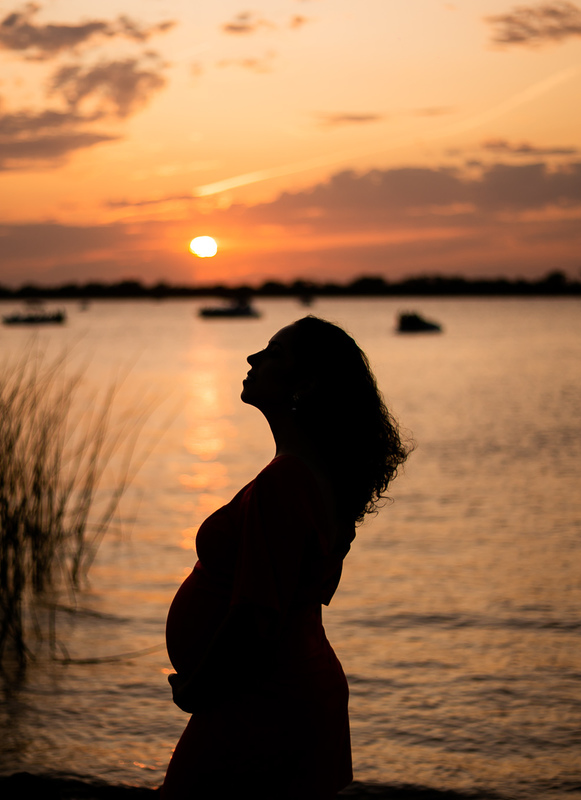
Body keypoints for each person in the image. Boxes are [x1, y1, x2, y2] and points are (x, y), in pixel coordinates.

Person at [160, 316, 410, 799]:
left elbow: (257, 616)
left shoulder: (287, 480)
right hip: (285, 687)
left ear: (307, 383)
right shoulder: (316, 474)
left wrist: (197, 690)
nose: (253, 359)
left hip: (263, 698)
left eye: (273, 353)